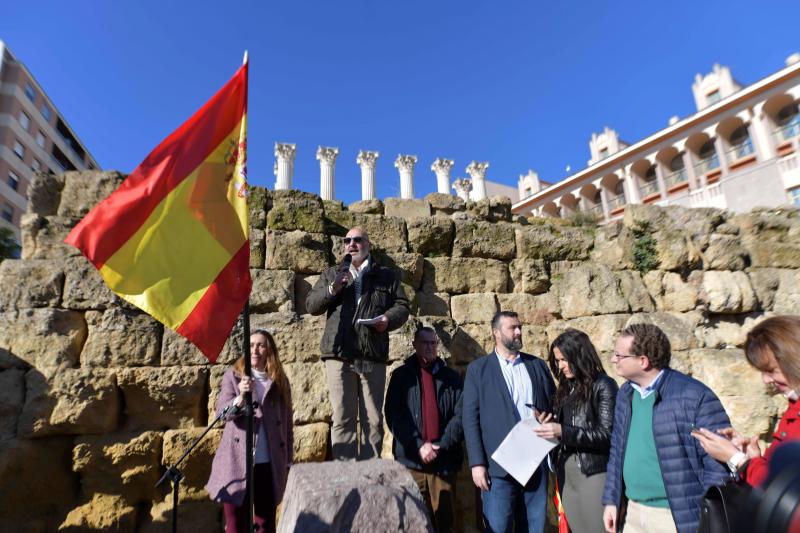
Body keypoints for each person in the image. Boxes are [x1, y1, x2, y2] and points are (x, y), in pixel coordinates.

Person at [601, 323, 731, 533]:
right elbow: (617, 452)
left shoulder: (694, 396)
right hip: (633, 512)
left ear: (643, 361)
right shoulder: (626, 394)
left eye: (619, 355)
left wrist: (704, 515)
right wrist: (612, 500)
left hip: (673, 517)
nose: (613, 360)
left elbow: (717, 466)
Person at [307, 227, 410, 460]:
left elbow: (402, 306)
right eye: (347, 240)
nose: (351, 244)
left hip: (370, 354)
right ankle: (345, 474)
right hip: (338, 354)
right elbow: (312, 305)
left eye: (357, 240)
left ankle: (371, 473)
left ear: (368, 245)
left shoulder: (386, 275)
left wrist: (387, 319)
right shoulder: (332, 273)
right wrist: (333, 288)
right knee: (342, 415)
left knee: (372, 418)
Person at [462, 311, 556, 533]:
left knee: (534, 528)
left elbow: (554, 405)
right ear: (496, 333)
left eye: (519, 327)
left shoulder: (537, 365)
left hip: (535, 462)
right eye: (512, 327)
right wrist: (477, 464)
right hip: (498, 468)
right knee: (498, 528)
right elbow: (470, 418)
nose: (518, 331)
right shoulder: (479, 370)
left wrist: (547, 417)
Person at [692, 315, 800, 486]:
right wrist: (755, 458)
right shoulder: (794, 405)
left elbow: (782, 489)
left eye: (771, 370)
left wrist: (736, 459)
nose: (766, 380)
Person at [206, 329, 293, 533]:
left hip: (268, 463)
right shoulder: (234, 377)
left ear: (269, 350)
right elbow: (221, 415)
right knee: (236, 524)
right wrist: (240, 398)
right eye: (251, 345)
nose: (255, 349)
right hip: (237, 461)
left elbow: (288, 423)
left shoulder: (280, 381)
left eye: (260, 345)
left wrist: (288, 460)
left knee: (265, 523)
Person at [532, 328, 618, 533]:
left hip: (593, 471)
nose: (560, 366)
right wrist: (548, 423)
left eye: (564, 359)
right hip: (566, 472)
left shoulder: (604, 385)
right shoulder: (565, 389)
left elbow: (608, 434)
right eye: (558, 361)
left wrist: (563, 431)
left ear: (578, 355)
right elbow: (566, 426)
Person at [385, 326, 464, 532]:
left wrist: (441, 445)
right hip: (412, 462)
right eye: (424, 343)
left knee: (446, 522)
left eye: (433, 343)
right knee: (413, 522)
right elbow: (394, 416)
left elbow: (462, 415)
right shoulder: (401, 377)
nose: (430, 347)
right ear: (414, 345)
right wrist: (418, 446)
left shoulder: (451, 378)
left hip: (444, 462)